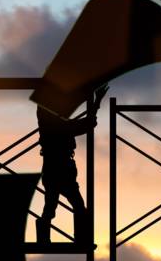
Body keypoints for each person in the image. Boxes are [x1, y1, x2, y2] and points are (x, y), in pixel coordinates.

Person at [35, 83, 107, 245]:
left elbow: (83, 125)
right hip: (56, 166)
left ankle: (75, 239)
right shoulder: (50, 119)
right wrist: (94, 104)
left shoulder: (54, 119)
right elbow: (78, 126)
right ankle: (49, 238)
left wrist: (95, 103)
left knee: (63, 205)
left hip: (60, 167)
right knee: (55, 205)